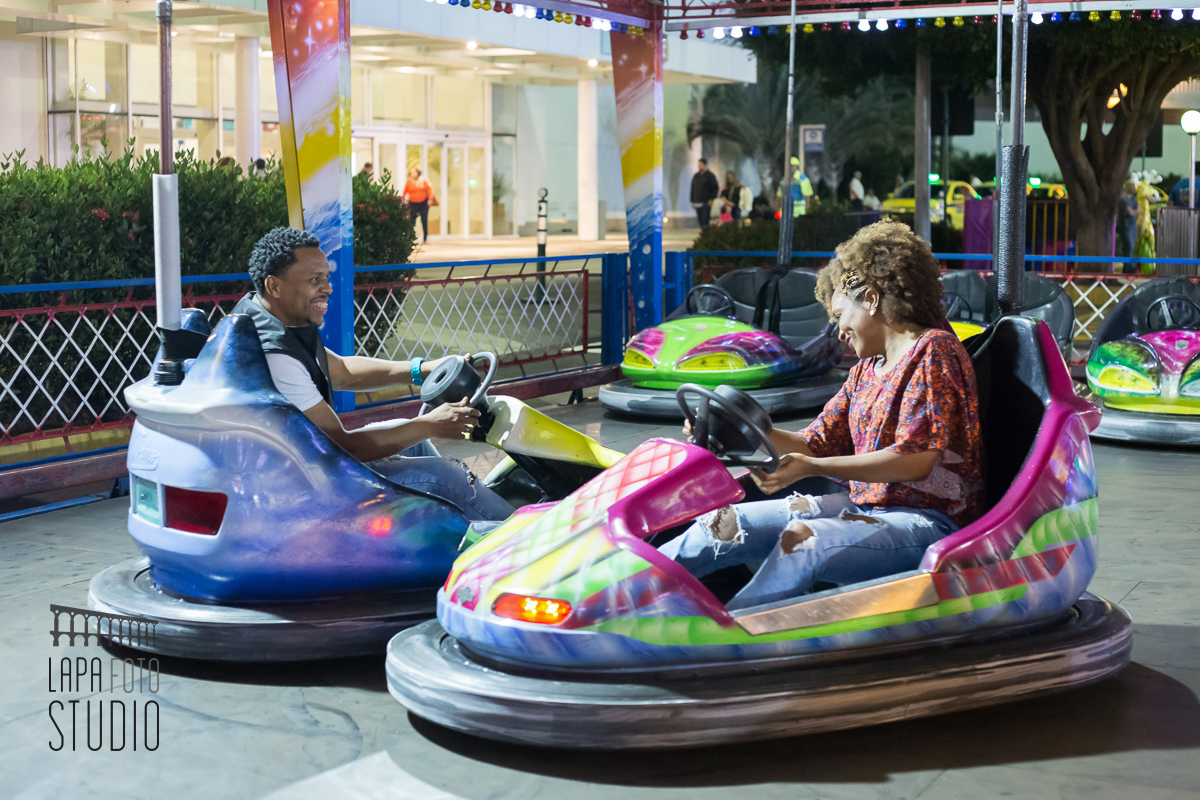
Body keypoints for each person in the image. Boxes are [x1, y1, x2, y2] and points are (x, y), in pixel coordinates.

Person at [660, 220, 984, 610]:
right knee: (729, 523)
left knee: (803, 539)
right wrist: (740, 427)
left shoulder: (934, 351)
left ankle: (733, 635)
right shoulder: (865, 371)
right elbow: (813, 444)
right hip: (867, 508)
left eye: (839, 314)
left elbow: (916, 460)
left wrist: (812, 468)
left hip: (929, 523)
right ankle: (614, 596)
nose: (838, 330)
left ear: (870, 297)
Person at [231, 227, 515, 521]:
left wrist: (422, 369)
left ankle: (462, 517)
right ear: (274, 286)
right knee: (447, 478)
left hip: (305, 467)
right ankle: (521, 544)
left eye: (326, 278)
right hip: (299, 491)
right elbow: (341, 446)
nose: (327, 288)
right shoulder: (274, 356)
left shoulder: (270, 319)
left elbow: (344, 371)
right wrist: (430, 425)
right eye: (315, 281)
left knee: (413, 439)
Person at [403, 167, 436, 242]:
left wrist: (430, 198)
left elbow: (430, 189)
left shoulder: (424, 180)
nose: (412, 174)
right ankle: (410, 238)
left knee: (424, 220)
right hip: (413, 203)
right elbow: (405, 191)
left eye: (414, 172)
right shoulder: (409, 181)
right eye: (411, 172)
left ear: (418, 172)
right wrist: (403, 200)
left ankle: (425, 239)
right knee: (412, 221)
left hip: (423, 203)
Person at [690, 158, 720, 227]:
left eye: (700, 165)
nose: (699, 166)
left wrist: (712, 199)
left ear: (705, 165)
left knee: (705, 219)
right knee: (700, 219)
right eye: (698, 165)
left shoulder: (710, 176)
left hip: (706, 201)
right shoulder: (696, 176)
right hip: (697, 201)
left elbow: (715, 188)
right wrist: (692, 200)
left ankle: (706, 233)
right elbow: (693, 188)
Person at [1117, 180, 1139, 271]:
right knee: (1129, 246)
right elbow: (1129, 211)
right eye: (1132, 186)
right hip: (1125, 226)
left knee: (1131, 247)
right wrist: (1134, 211)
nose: (1134, 188)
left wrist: (1133, 212)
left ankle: (1129, 267)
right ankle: (1129, 268)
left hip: (1132, 226)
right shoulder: (1123, 199)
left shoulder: (1134, 200)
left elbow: (1136, 211)